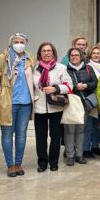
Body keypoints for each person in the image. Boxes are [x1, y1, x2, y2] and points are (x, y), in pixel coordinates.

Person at [0, 33, 36, 177]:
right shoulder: (2, 58)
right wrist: (1, 96)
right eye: (16, 41)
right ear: (11, 43)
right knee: (7, 135)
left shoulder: (30, 59)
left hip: (25, 104)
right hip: (8, 104)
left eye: (22, 41)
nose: (19, 44)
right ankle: (10, 165)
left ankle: (18, 164)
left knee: (21, 135)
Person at [32, 42, 72, 172]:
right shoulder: (34, 68)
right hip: (39, 107)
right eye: (44, 51)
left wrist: (55, 88)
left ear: (53, 53)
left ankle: (54, 162)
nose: (46, 53)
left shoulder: (61, 68)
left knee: (55, 136)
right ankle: (42, 162)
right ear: (39, 54)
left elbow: (69, 86)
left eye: (49, 51)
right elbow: (30, 86)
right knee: (40, 136)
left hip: (56, 107)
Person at [64, 47, 97, 166]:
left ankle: (79, 155)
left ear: (81, 56)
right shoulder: (65, 69)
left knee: (81, 129)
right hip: (71, 102)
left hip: (84, 103)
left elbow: (95, 83)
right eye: (72, 55)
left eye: (76, 55)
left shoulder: (88, 68)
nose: (74, 57)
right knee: (69, 130)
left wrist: (86, 86)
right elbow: (62, 84)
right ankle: (70, 156)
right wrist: (74, 87)